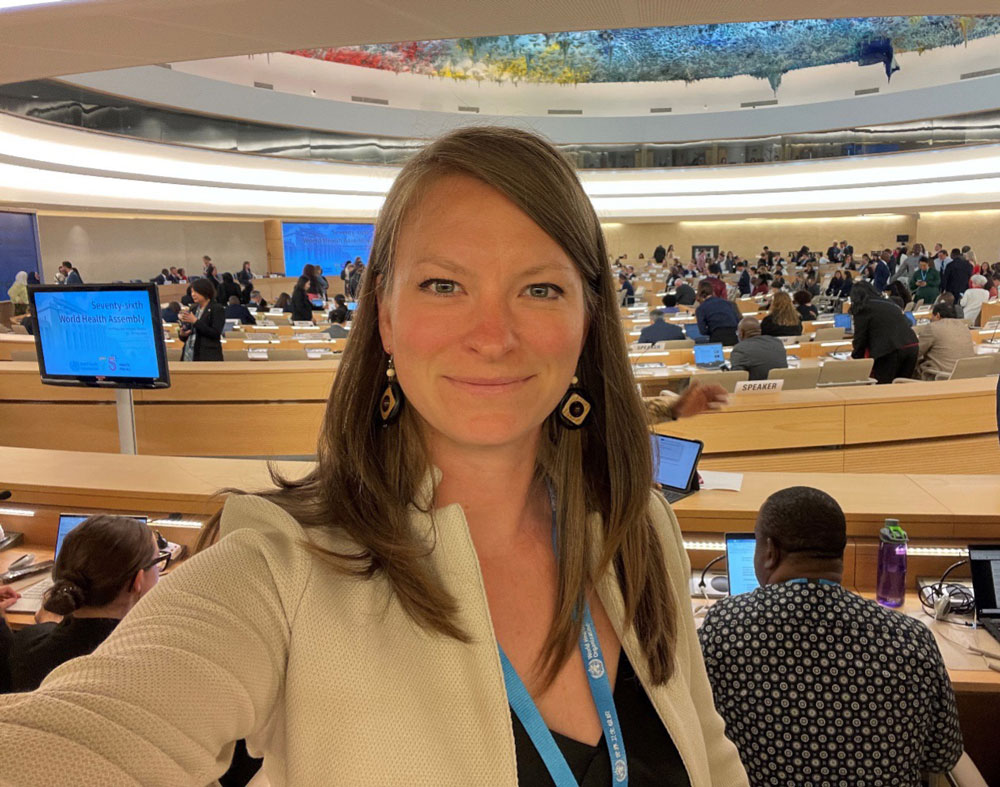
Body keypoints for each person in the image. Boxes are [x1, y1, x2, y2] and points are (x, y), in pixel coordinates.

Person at [0, 126, 748, 786]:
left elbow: (710, 756)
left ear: (588, 320)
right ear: (385, 314)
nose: (493, 334)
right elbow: (90, 736)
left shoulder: (636, 524)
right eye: (444, 284)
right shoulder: (279, 568)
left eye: (541, 287)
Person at [699, 486, 963, 787]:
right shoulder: (912, 639)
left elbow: (699, 739)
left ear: (769, 552)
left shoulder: (723, 628)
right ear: (841, 552)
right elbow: (943, 755)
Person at [5, 515, 165, 692]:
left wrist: (50, 623)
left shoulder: (27, 647)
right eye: (157, 562)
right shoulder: (148, 663)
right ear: (138, 581)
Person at [850, 281, 919, 384]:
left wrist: (856, 358)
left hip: (889, 350)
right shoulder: (889, 303)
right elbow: (908, 322)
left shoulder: (863, 308)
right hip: (912, 345)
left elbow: (860, 338)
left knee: (884, 387)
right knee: (903, 386)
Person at [915, 302, 978, 380]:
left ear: (937, 315)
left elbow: (917, 351)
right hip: (965, 375)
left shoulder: (933, 327)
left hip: (940, 376)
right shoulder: (963, 327)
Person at [178, 278, 226, 362]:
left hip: (207, 355)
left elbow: (215, 333)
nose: (193, 294)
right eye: (192, 292)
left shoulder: (217, 308)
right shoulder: (193, 308)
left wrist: (195, 321)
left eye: (196, 292)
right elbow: (190, 333)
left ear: (205, 291)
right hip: (189, 354)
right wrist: (183, 334)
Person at [695, 280, 740, 345]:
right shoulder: (727, 303)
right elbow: (737, 320)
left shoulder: (701, 308)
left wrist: (712, 330)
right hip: (733, 336)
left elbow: (702, 331)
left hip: (716, 337)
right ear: (712, 291)